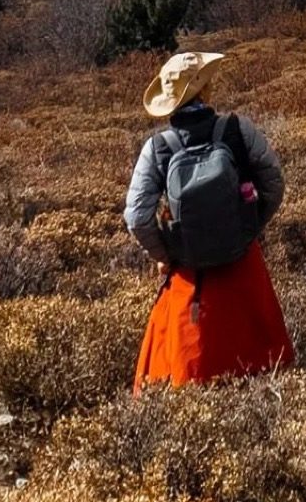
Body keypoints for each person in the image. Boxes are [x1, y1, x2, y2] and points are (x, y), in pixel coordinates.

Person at [125, 49, 294, 387]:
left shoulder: (157, 148)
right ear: (204, 91)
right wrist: (249, 229)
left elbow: (138, 218)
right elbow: (274, 185)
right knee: (262, 367)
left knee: (190, 372)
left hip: (192, 278)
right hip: (244, 265)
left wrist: (169, 256)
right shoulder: (238, 129)